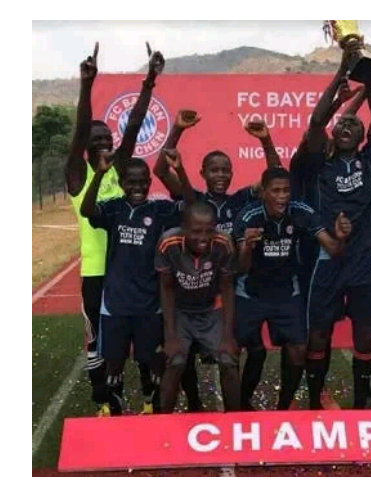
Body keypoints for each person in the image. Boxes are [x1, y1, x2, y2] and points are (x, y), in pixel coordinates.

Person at [153, 114, 280, 411]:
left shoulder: (240, 200)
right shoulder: (195, 199)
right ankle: (194, 402)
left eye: (226, 170)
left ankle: (241, 404)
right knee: (184, 357)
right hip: (195, 287)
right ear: (203, 173)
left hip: (233, 287)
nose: (221, 175)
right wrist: (177, 130)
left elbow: (274, 176)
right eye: (214, 170)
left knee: (249, 350)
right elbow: (161, 169)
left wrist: (265, 140)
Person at [65, 42, 165, 416]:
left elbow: (134, 125)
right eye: (97, 141)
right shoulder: (78, 174)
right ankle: (106, 400)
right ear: (86, 148)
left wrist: (150, 81)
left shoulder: (120, 168)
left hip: (129, 270)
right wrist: (86, 85)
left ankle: (149, 396)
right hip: (96, 272)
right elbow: (80, 131)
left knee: (139, 338)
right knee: (98, 343)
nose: (106, 143)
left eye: (108, 138)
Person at [292, 42, 371, 409]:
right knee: (319, 333)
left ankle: (362, 400)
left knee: (364, 334)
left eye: (354, 124)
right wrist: (340, 71)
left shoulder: (369, 161)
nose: (347, 125)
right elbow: (317, 122)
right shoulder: (321, 162)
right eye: (343, 123)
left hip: (362, 262)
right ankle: (316, 400)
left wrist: (370, 79)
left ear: (363, 137)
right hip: (327, 261)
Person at [79, 149, 192, 415]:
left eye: (143, 182)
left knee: (152, 360)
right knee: (114, 362)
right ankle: (113, 406)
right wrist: (99, 174)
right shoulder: (114, 208)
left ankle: (151, 404)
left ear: (149, 183)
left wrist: (180, 171)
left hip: (149, 304)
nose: (138, 187)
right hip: (115, 303)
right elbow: (87, 210)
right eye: (131, 182)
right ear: (122, 183)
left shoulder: (159, 209)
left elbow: (190, 206)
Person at [233, 167, 352, 410]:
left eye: (286, 191)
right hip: (250, 293)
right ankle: (239, 405)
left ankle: (283, 407)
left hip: (287, 292)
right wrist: (247, 247)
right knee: (232, 351)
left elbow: (333, 250)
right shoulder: (248, 216)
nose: (282, 197)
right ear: (263, 193)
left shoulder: (300, 211)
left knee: (298, 349)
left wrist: (340, 237)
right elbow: (241, 268)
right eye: (276, 191)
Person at [156, 201, 243, 413]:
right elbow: (166, 289)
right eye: (196, 231)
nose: (203, 238)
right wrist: (170, 337)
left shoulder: (224, 243)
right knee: (175, 361)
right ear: (184, 229)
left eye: (209, 230)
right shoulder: (168, 243)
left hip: (210, 310)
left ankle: (234, 420)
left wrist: (227, 336)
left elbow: (227, 288)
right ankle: (161, 422)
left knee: (228, 360)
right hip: (180, 311)